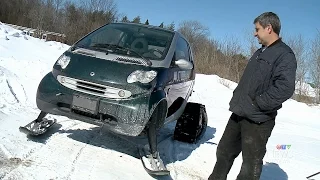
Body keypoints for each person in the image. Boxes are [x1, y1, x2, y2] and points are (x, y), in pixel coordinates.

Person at [208, 12, 297, 180]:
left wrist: (258, 104)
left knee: (250, 165)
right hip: (239, 113)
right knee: (224, 151)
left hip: (258, 119)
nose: (254, 33)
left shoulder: (285, 54)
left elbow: (285, 87)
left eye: (257, 29)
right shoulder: (259, 52)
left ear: (269, 28)